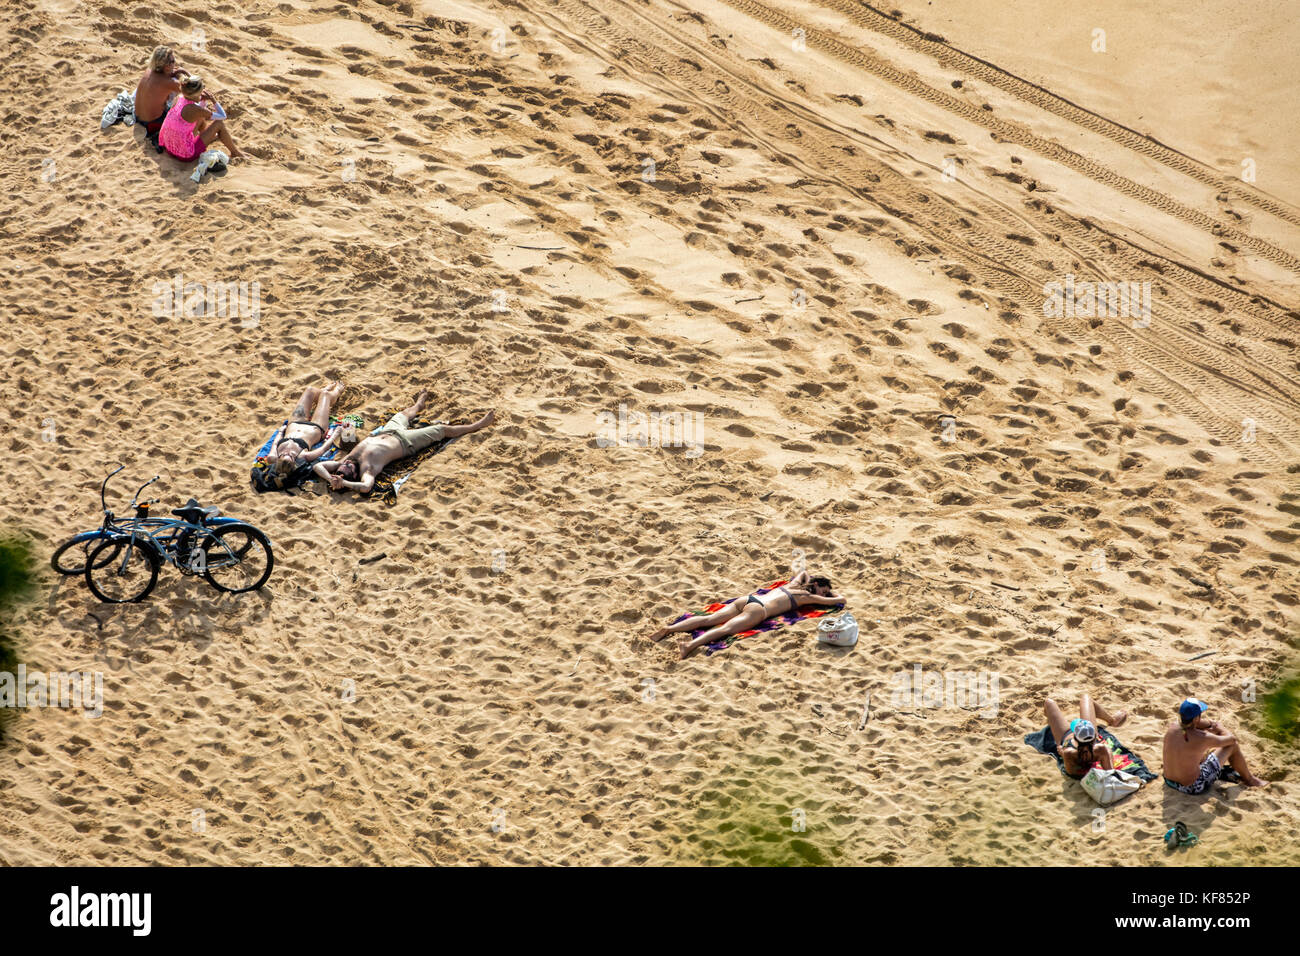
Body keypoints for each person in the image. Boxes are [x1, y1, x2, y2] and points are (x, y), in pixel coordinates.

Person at [313, 390, 495, 494]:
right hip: (405, 442)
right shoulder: (367, 470)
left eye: (342, 466)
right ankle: (477, 425)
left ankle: (419, 404)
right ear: (354, 473)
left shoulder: (342, 462)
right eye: (347, 468)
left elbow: (317, 467)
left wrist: (330, 478)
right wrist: (345, 484)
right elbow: (366, 487)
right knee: (443, 431)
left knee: (404, 414)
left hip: (387, 432)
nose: (345, 464)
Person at [646, 568, 844, 659]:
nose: (823, 594)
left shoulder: (792, 584)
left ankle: (668, 629)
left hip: (748, 599)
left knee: (709, 619)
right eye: (823, 590)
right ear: (817, 585)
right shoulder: (805, 597)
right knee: (724, 630)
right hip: (759, 611)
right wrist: (831, 595)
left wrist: (813, 583)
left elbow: (803, 572)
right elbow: (837, 601)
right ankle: (689, 645)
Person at [1162, 698, 1267, 794]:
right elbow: (1231, 740)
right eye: (1200, 715)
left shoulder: (1173, 726)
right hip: (1192, 787)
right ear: (1195, 719)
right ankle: (1250, 779)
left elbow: (1196, 725)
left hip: (1169, 781)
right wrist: (1220, 727)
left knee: (1199, 754)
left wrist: (1210, 724)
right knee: (1232, 746)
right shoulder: (1202, 738)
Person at [266, 382, 346, 477]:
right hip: (317, 427)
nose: (288, 452)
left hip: (295, 422)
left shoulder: (272, 457)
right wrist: (336, 434)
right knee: (326, 395)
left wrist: (280, 431)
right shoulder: (303, 456)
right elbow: (323, 448)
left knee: (309, 390)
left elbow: (275, 443)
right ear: (294, 461)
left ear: (278, 459)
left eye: (284, 455)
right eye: (291, 456)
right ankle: (337, 391)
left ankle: (322, 392)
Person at [159, 75, 243, 162]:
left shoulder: (179, 98)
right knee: (219, 124)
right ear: (197, 93)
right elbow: (223, 116)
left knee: (200, 117)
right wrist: (213, 100)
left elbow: (197, 112)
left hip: (169, 147)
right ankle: (235, 152)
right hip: (185, 155)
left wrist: (203, 101)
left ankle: (207, 138)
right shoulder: (195, 109)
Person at [1042, 693, 1126, 779]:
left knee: (1049, 702)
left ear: (1075, 736)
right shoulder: (1102, 749)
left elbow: (1072, 773)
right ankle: (1112, 720)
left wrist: (1063, 754)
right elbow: (1110, 772)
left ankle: (1049, 720)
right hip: (1083, 740)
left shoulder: (1068, 752)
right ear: (1095, 736)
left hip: (1065, 736)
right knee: (1086, 697)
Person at [133, 46, 189, 148]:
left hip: (137, 117)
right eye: (173, 61)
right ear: (166, 66)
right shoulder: (168, 82)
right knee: (187, 105)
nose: (175, 63)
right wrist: (184, 72)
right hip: (152, 123)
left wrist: (173, 73)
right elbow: (193, 89)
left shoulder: (149, 71)